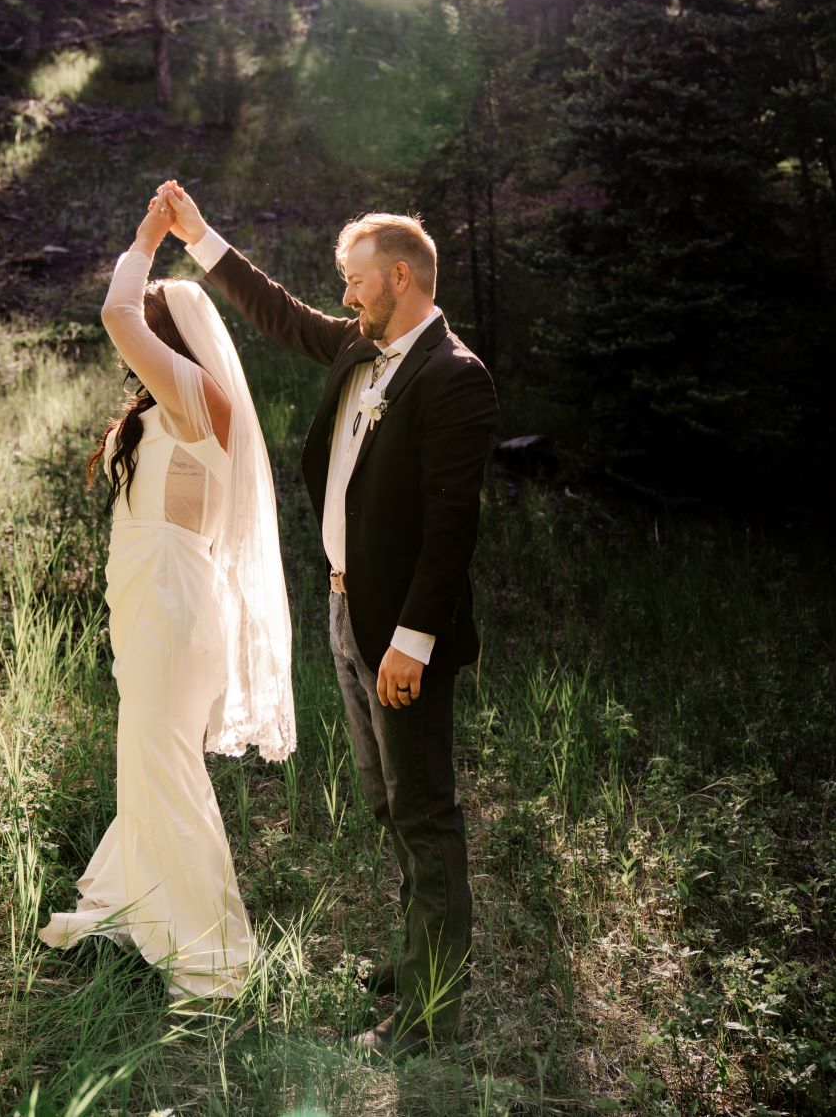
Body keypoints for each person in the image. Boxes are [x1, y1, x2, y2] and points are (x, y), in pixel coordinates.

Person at [158, 179, 498, 1052]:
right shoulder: (360, 346)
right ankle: (410, 954)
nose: (343, 296)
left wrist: (411, 643)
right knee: (387, 805)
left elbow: (452, 526)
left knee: (425, 813)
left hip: (400, 638)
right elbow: (278, 313)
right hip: (349, 615)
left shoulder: (454, 376)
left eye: (354, 280)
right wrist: (200, 238)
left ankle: (430, 1014)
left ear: (399, 277)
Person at [38, 188, 296, 998]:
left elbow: (118, 315)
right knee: (145, 756)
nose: (134, 349)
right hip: (152, 597)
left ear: (175, 338)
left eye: (153, 333)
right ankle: (138, 901)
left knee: (165, 761)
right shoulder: (169, 405)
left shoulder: (200, 400)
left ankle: (213, 950)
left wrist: (148, 236)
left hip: (176, 603)